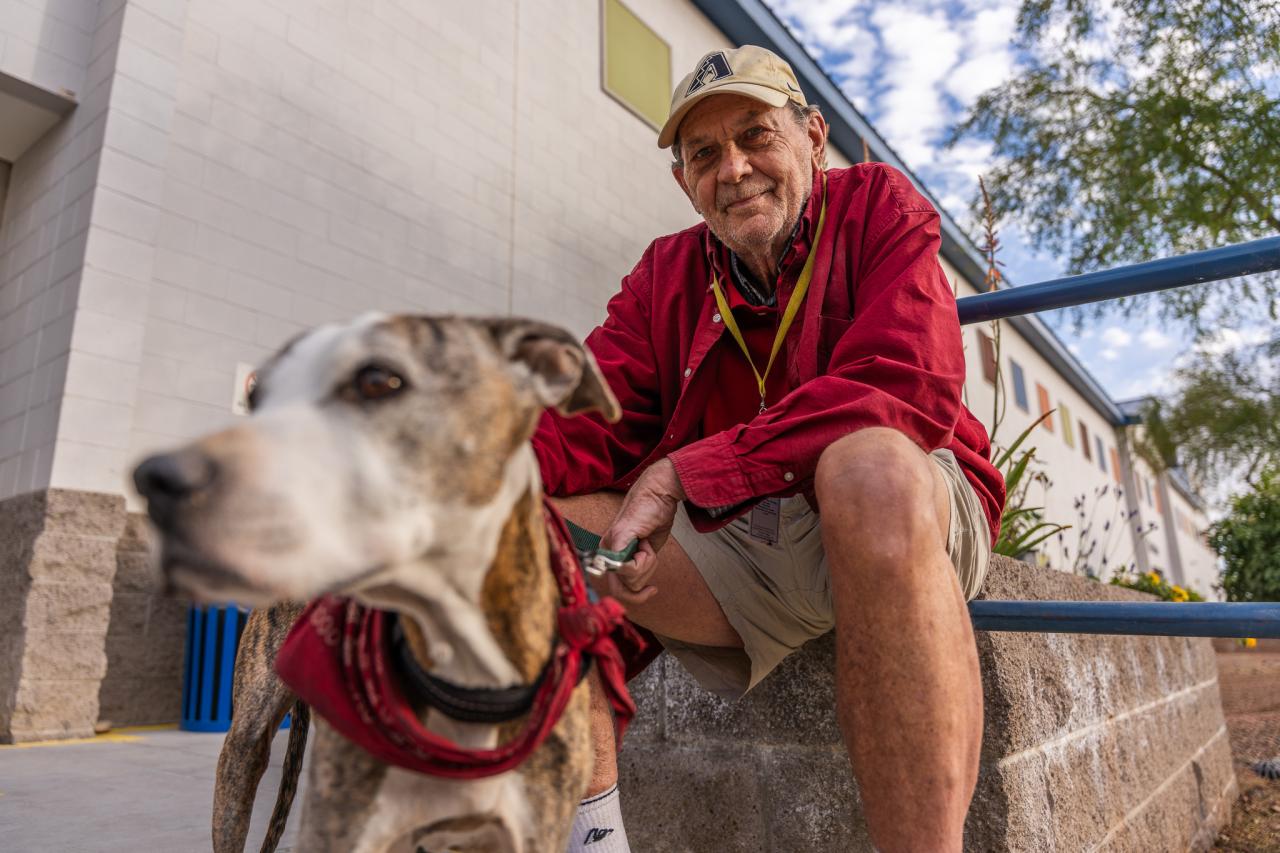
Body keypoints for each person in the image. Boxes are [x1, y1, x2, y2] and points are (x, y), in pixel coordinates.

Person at [532, 45, 1005, 853]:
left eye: (757, 134)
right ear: (685, 182)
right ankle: (595, 841)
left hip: (899, 505)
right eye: (705, 154)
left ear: (814, 137)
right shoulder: (665, 273)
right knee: (529, 533)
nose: (736, 168)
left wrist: (689, 469)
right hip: (741, 537)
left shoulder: (881, 204)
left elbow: (903, 385)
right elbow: (584, 416)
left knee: (867, 465)